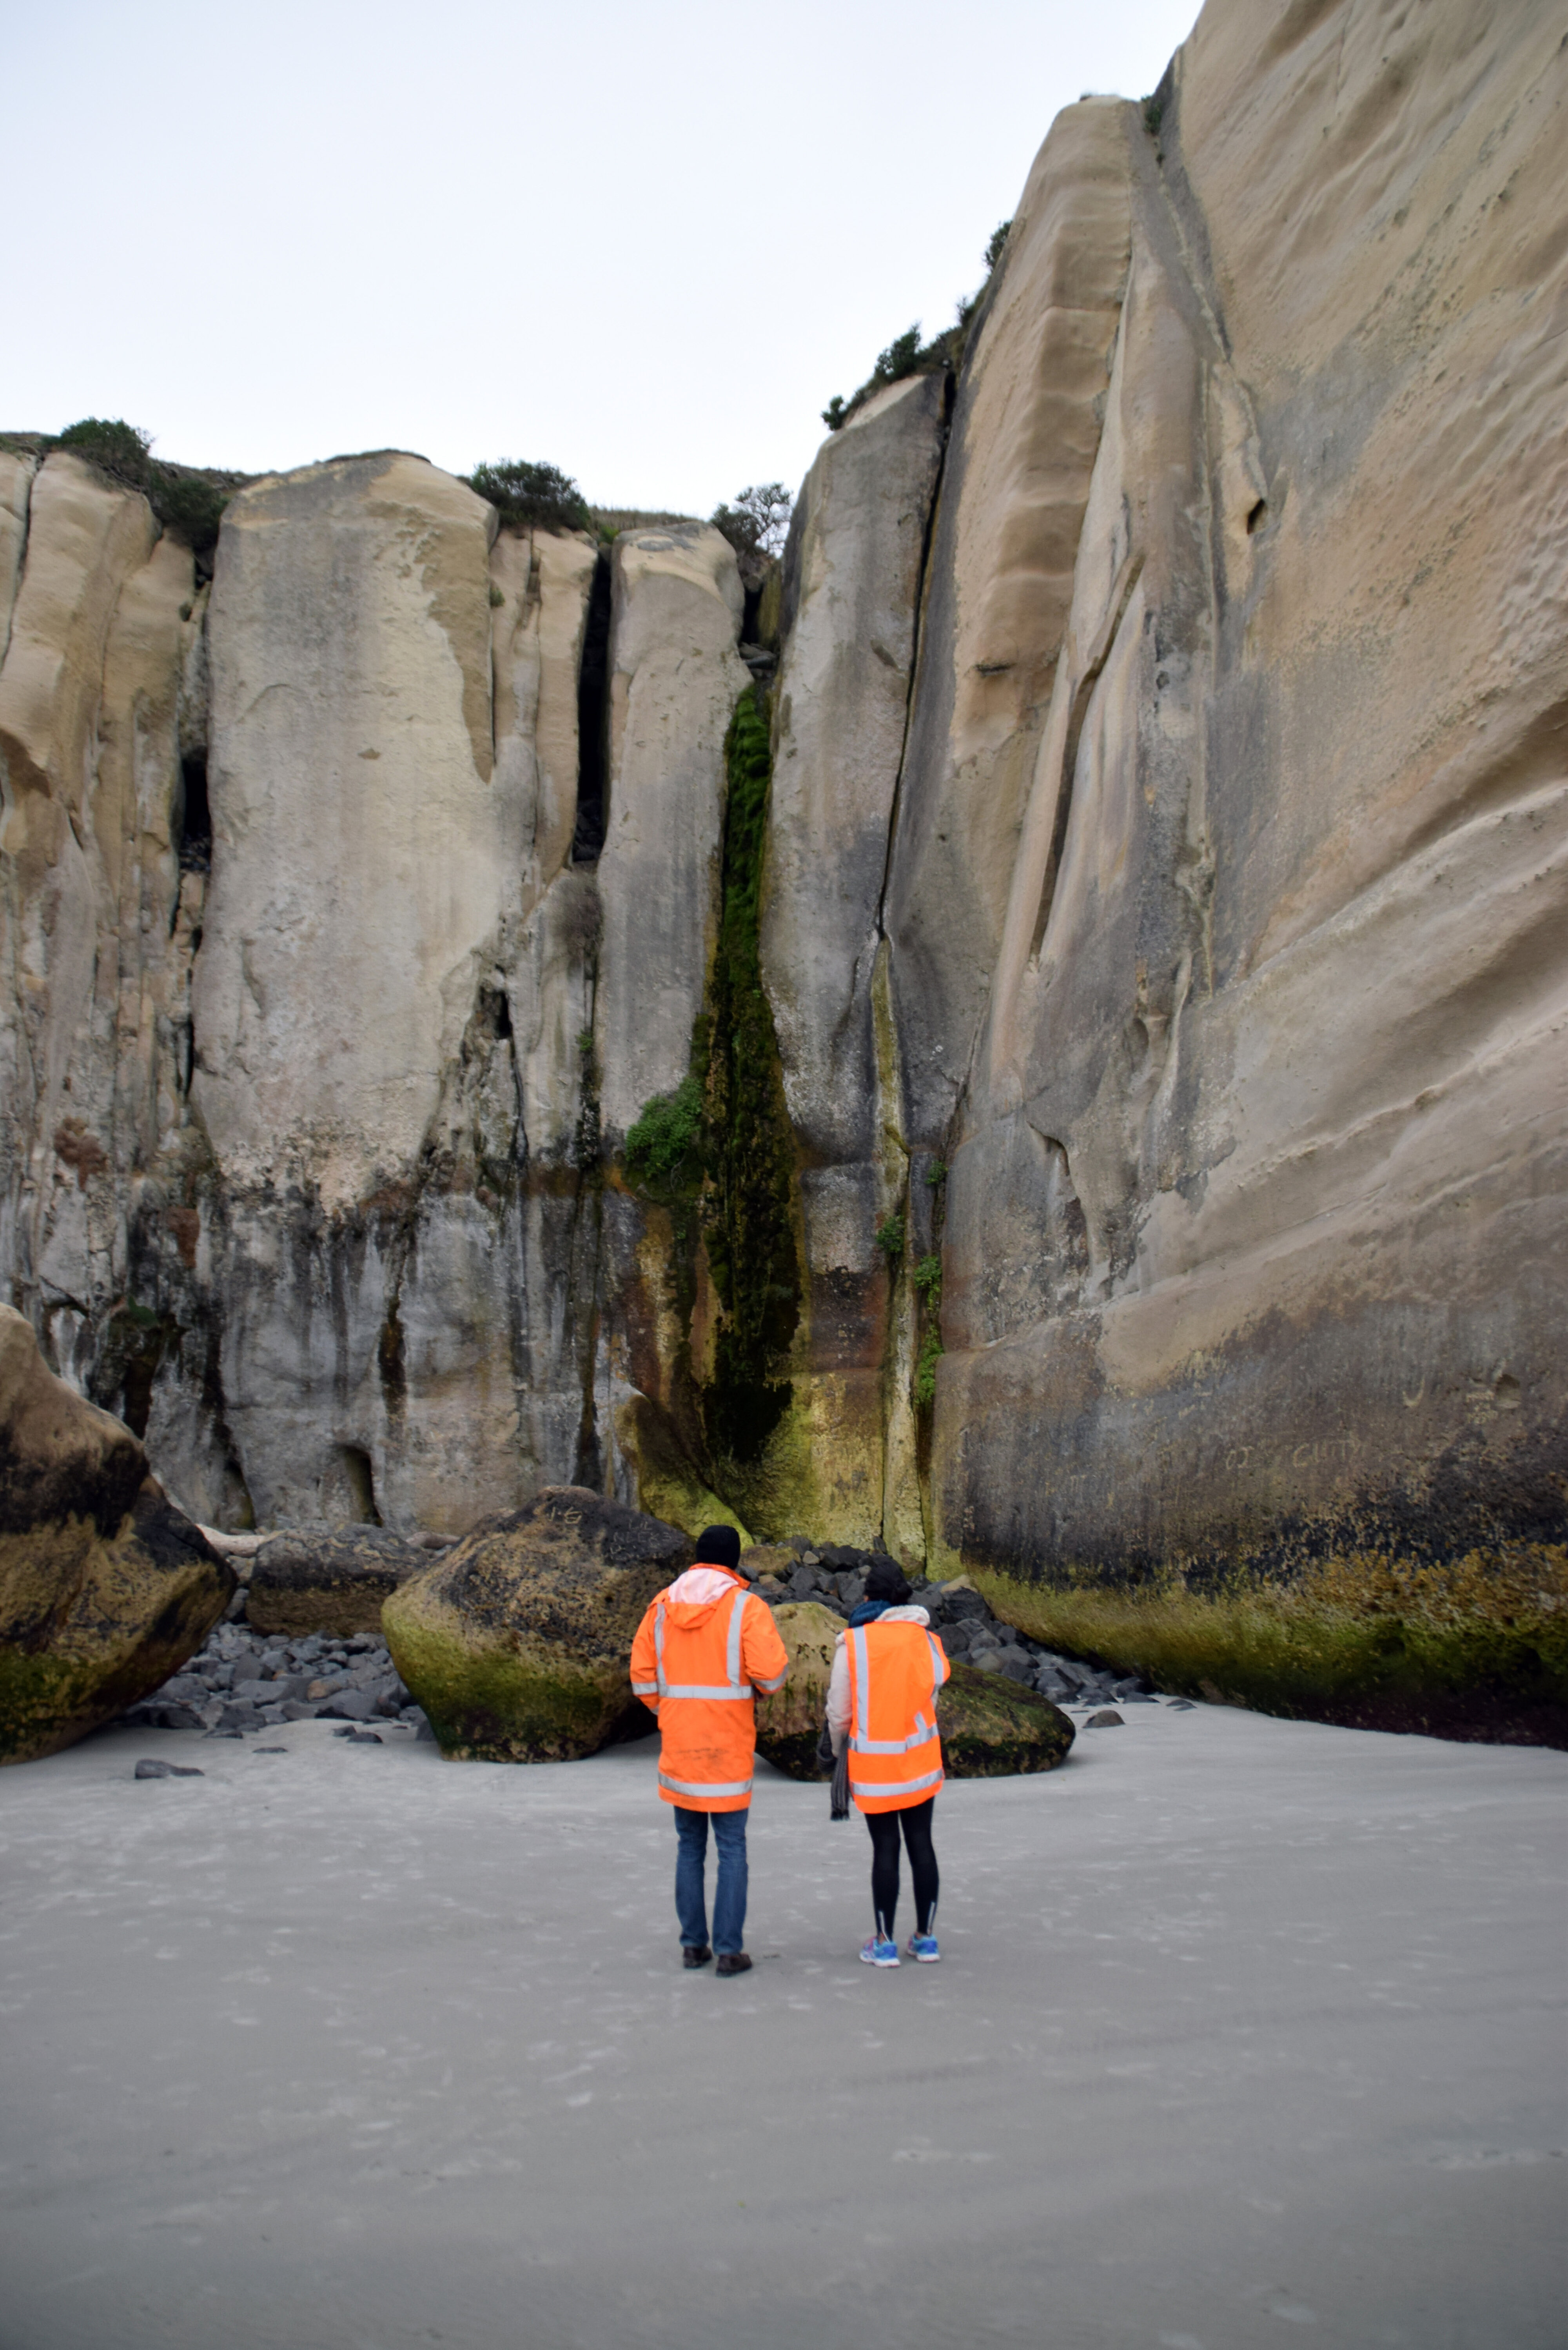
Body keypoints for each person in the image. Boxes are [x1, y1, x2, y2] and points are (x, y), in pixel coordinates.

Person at [629, 1524, 789, 1976]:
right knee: (732, 1847)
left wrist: (670, 1709)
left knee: (689, 1847)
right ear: (734, 1561)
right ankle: (728, 1950)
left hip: (681, 1746)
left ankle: (692, 1946)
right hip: (727, 1746)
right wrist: (748, 1695)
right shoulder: (747, 1608)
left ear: (697, 1558)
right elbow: (772, 1675)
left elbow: (641, 1675)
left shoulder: (661, 1607)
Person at [826, 1556, 950, 1966]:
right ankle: (926, 1938)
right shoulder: (928, 1641)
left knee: (886, 1848)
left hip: (874, 1766)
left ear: (868, 1598)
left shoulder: (855, 1643)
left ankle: (883, 1943)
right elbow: (932, 1692)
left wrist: (835, 1748)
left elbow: (839, 1711)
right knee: (921, 1844)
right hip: (920, 1759)